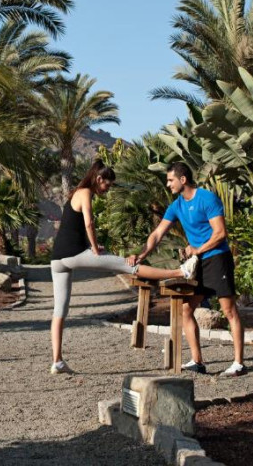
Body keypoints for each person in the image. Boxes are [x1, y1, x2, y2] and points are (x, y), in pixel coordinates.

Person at [49, 159, 198, 375]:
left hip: (57, 259)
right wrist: (95, 249)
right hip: (74, 255)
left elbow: (72, 229)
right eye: (107, 185)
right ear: (98, 179)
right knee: (128, 265)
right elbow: (89, 223)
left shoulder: (74, 194)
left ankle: (57, 361)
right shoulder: (86, 192)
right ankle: (180, 271)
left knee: (59, 311)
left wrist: (91, 246)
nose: (107, 189)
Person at [127, 162, 246, 377]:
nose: (168, 184)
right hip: (198, 263)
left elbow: (220, 233)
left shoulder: (207, 198)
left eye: (170, 180)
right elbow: (157, 234)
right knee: (186, 310)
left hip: (217, 259)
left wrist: (197, 249)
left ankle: (239, 363)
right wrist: (142, 254)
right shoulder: (176, 206)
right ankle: (197, 361)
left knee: (228, 310)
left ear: (183, 179)